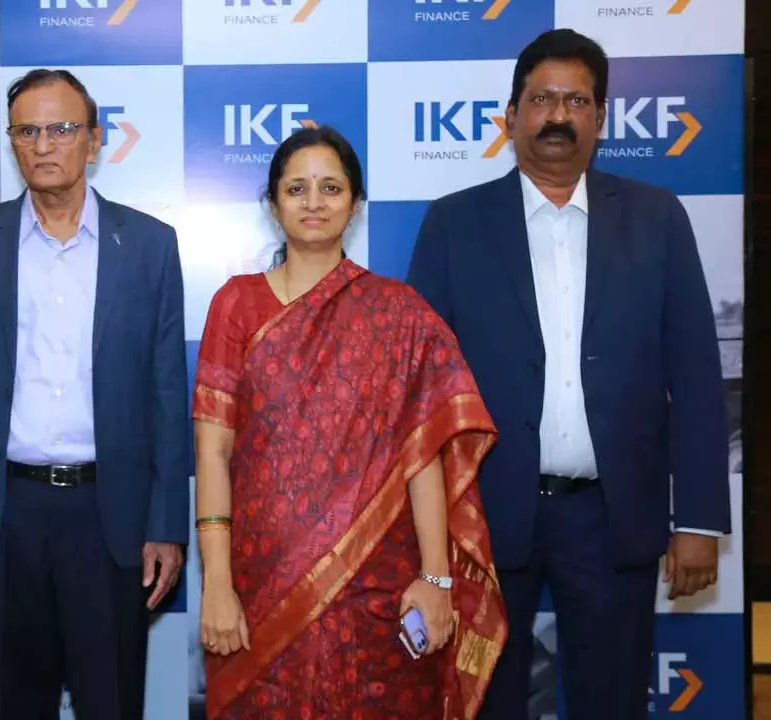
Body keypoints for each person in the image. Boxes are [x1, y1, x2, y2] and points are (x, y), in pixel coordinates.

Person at [406, 28, 730, 720]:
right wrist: (425, 532)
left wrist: (700, 519)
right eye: (542, 99)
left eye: (576, 101)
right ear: (511, 115)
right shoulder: (453, 225)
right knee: (485, 704)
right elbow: (421, 393)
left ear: (601, 117)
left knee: (612, 703)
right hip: (485, 520)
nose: (558, 115)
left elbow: (698, 376)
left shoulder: (657, 219)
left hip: (613, 518)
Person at [194, 125, 507, 719]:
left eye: (331, 187)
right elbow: (213, 452)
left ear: (356, 203)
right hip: (261, 582)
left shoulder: (399, 313)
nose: (313, 202)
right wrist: (216, 583)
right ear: (273, 204)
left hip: (377, 586)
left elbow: (423, 454)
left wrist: (436, 579)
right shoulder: (235, 305)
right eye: (297, 188)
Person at [0, 68, 190, 719]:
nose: (43, 145)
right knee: (17, 704)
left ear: (94, 140)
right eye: (27, 131)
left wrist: (165, 525)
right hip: (3, 513)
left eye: (62, 129)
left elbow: (165, 398)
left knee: (111, 702)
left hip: (110, 515)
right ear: (12, 142)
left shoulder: (149, 245)